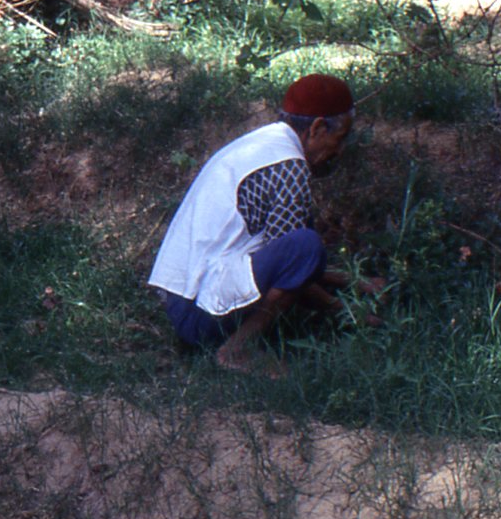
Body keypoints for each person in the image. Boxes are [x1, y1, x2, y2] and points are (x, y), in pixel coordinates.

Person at [148, 73, 377, 371]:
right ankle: (236, 350)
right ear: (318, 128)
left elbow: (286, 263)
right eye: (341, 137)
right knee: (306, 246)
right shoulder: (289, 167)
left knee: (303, 246)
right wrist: (349, 312)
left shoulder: (264, 144)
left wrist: (356, 283)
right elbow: (296, 266)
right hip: (197, 315)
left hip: (186, 302)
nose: (340, 150)